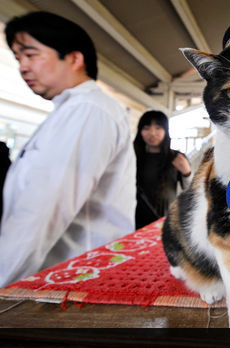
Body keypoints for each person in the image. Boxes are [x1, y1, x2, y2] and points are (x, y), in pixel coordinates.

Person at [0, 11, 136, 287]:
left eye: (31, 55)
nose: (23, 67)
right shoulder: (70, 111)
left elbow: (41, 212)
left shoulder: (88, 110)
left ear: (74, 58)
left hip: (74, 282)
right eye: (18, 58)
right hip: (62, 279)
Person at [134, 110, 191, 229]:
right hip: (135, 221)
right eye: (146, 128)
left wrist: (187, 173)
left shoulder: (176, 157)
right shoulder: (133, 157)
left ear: (166, 130)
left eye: (158, 127)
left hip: (165, 224)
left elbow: (192, 193)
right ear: (140, 131)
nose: (152, 133)